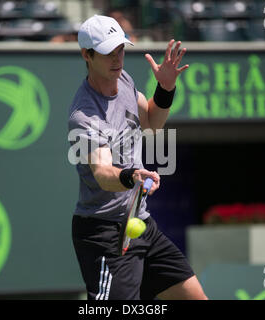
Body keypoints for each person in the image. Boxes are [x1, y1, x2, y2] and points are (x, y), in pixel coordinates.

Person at [68, 14, 207, 300]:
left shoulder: (125, 80)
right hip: (103, 235)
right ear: (87, 55)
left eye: (120, 49)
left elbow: (152, 123)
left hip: (139, 223)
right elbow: (104, 174)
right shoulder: (83, 117)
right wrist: (132, 176)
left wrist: (166, 88)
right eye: (108, 52)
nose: (117, 59)